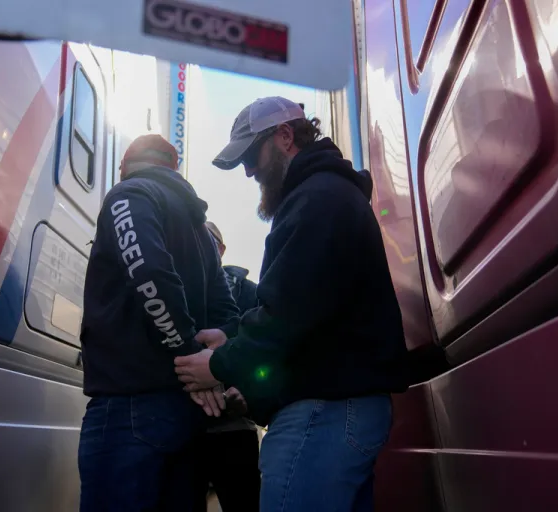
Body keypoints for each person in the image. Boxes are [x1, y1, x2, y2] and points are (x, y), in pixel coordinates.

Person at [174, 97, 408, 511]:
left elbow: (287, 315)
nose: (248, 171)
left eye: (251, 155)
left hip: (324, 412)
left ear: (284, 136)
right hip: (340, 409)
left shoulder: (317, 198)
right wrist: (230, 336)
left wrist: (216, 365)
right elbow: (311, 305)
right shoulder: (327, 194)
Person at [78, 134, 240, 512]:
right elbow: (228, 315)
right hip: (187, 415)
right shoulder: (200, 231)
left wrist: (186, 356)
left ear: (125, 166)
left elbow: (148, 271)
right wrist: (205, 368)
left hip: (129, 408)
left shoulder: (129, 195)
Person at [190, 221, 261, 512]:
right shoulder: (174, 286)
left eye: (208, 238)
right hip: (184, 430)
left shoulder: (250, 293)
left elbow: (263, 352)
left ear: (220, 248)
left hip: (234, 428)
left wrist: (247, 392)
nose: (199, 243)